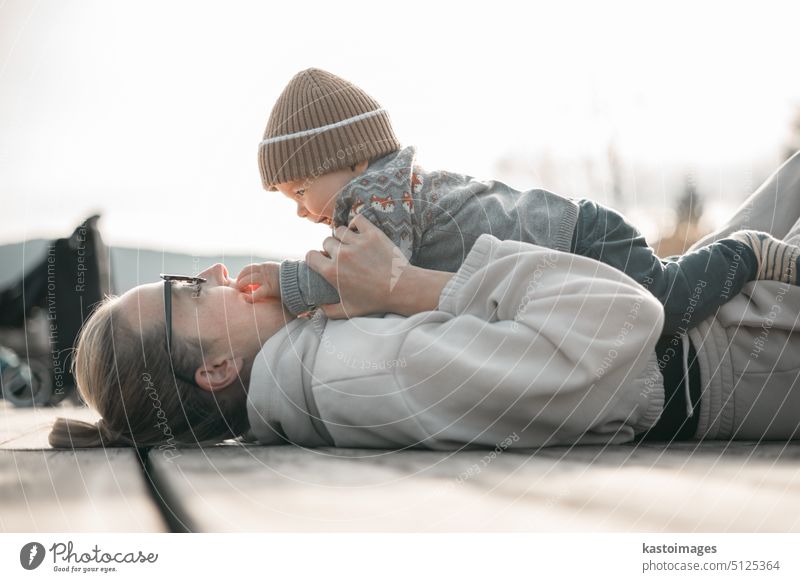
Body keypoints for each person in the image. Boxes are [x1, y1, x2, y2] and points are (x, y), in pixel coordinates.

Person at [47, 150, 800, 449]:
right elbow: (626, 320)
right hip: (737, 354)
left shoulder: (319, 353)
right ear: (212, 368)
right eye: (189, 290)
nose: (214, 269)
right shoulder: (349, 377)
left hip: (710, 321)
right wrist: (405, 288)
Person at [246, 67, 800, 338]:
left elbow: (356, 276)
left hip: (582, 240)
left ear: (353, 161)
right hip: (574, 238)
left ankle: (745, 253)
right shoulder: (386, 191)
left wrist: (283, 281)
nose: (300, 210)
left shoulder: (380, 200)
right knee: (662, 295)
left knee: (667, 306)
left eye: (300, 190)